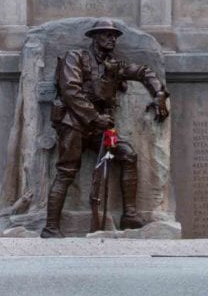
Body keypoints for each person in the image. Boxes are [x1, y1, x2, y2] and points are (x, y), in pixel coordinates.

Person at [42, 20, 169, 236]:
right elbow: (70, 91)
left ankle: (129, 215)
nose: (112, 39)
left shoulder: (113, 65)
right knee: (66, 171)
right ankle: (51, 227)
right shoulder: (76, 57)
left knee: (128, 154)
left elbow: (143, 71)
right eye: (107, 35)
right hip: (74, 123)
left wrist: (159, 94)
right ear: (94, 37)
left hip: (100, 127)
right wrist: (94, 117)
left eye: (115, 36)